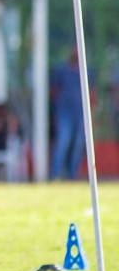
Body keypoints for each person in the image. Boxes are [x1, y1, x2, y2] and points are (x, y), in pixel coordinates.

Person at [51, 49, 87, 180]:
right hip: (64, 112)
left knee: (79, 144)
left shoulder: (87, 70)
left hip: (81, 113)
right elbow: (54, 91)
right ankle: (56, 174)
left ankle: (73, 175)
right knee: (63, 142)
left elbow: (92, 92)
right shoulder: (61, 70)